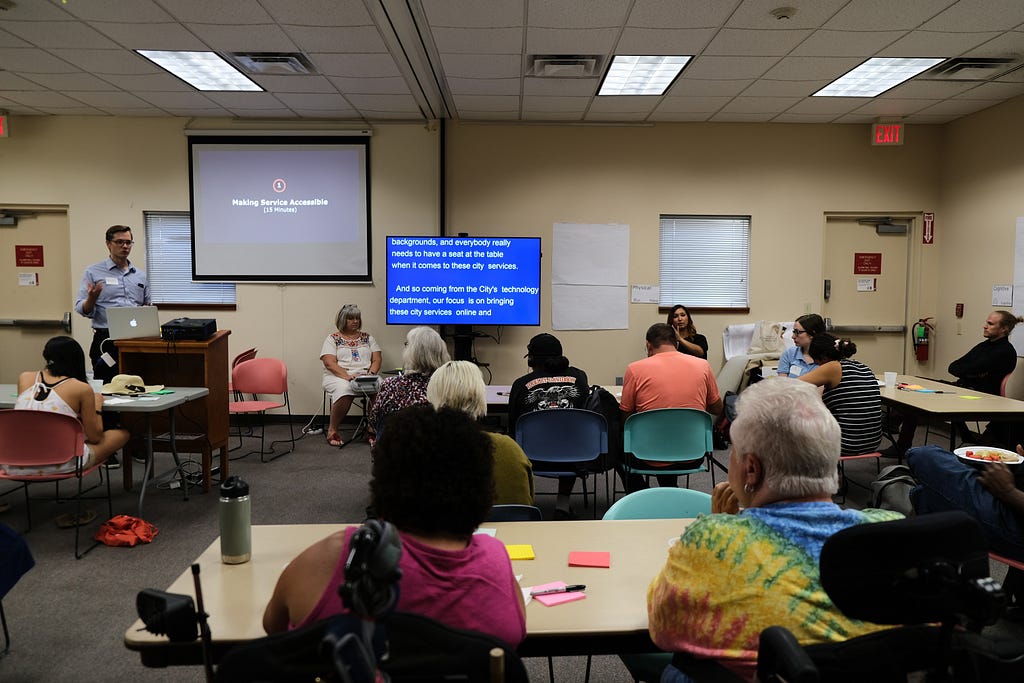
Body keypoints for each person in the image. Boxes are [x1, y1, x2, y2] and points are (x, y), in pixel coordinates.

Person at [648, 379, 901, 682]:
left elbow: (664, 627)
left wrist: (721, 526)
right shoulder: (892, 534)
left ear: (751, 469)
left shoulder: (712, 539)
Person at [262, 404, 526, 646]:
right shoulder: (495, 561)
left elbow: (273, 627)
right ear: (480, 486)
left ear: (384, 479)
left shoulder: (335, 557)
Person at [884, 310, 1021, 457]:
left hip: (979, 396)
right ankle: (891, 424)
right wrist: (973, 373)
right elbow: (954, 367)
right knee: (913, 386)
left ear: (1004, 329)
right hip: (961, 387)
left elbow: (971, 367)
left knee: (915, 398)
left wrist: (971, 371)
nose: (984, 326)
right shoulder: (984, 346)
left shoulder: (1005, 351)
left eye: (990, 324)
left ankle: (896, 434)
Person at [619, 323, 722, 489]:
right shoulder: (703, 366)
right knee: (671, 434)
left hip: (646, 456)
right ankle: (669, 491)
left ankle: (640, 495)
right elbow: (717, 408)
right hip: (693, 454)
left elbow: (626, 418)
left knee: (615, 445)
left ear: (648, 345)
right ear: (677, 343)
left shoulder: (634, 369)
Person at [11, 336, 129, 476]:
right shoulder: (81, 388)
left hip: (15, 461)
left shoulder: (24, 378)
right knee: (121, 434)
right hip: (62, 462)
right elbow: (95, 437)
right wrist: (97, 404)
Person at [428, 361, 533, 505]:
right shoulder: (510, 449)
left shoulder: (422, 451)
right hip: (507, 526)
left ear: (433, 397)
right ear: (481, 396)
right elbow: (525, 505)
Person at [507, 333, 589, 517]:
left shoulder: (520, 384)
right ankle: (562, 504)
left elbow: (513, 425)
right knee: (569, 436)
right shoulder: (580, 377)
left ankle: (526, 502)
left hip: (532, 454)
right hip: (576, 453)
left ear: (532, 359)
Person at [908, 444, 1024, 562]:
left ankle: (907, 499)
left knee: (924, 456)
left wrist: (1008, 491)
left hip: (1014, 520)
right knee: (927, 495)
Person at [74, 225, 151, 383]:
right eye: (120, 242)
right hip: (106, 340)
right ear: (108, 244)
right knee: (107, 387)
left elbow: (146, 305)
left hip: (135, 340)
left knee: (137, 385)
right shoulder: (93, 272)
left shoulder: (140, 275)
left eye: (128, 242)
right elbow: (81, 308)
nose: (125, 246)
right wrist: (92, 299)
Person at [799, 333, 882, 455]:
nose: (818, 367)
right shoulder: (863, 367)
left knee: (796, 427)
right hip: (872, 442)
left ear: (823, 357)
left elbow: (792, 385)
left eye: (817, 363)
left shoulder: (833, 367)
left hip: (846, 443)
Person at [367, 326, 449, 437]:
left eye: (407, 344)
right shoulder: (449, 385)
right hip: (438, 448)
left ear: (412, 352)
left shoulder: (391, 385)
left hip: (395, 449)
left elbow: (374, 421)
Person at [320, 304, 381, 447]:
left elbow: (377, 359)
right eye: (351, 318)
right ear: (343, 320)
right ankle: (332, 430)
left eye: (357, 318)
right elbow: (329, 363)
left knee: (381, 388)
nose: (355, 321)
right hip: (338, 376)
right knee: (346, 389)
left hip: (365, 375)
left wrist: (370, 374)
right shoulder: (332, 338)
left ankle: (372, 428)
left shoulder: (368, 338)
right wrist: (347, 376)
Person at [776, 313, 826, 378]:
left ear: (812, 333)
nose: (793, 336)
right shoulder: (789, 353)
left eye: (797, 332)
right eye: (794, 331)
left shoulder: (827, 357)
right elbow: (782, 382)